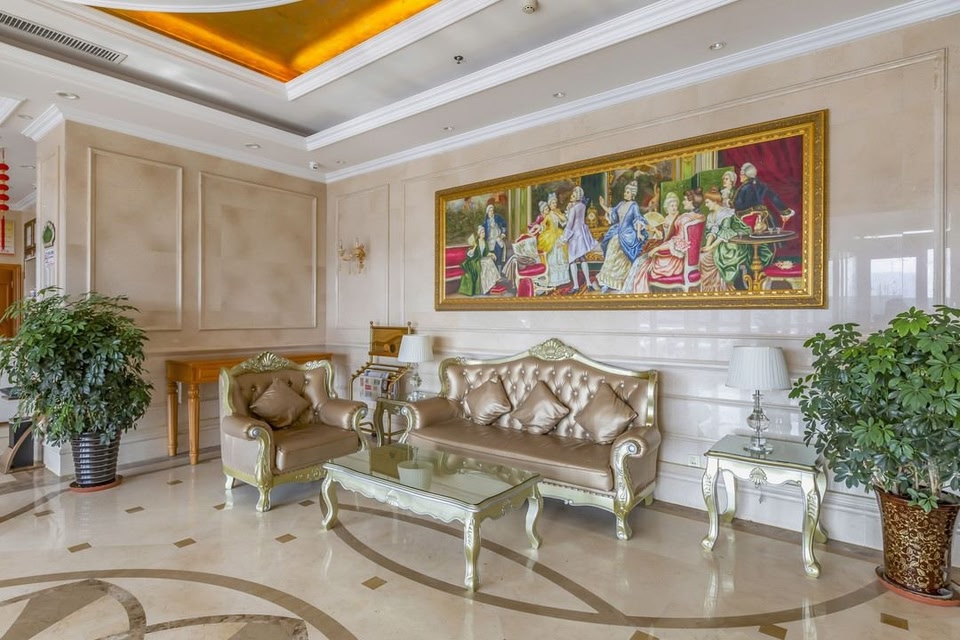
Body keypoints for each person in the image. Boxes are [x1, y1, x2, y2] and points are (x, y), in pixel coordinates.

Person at [625, 190, 704, 293]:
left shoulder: (683, 219)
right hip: (687, 260)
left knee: (643, 265)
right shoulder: (698, 217)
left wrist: (657, 249)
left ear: (692, 202)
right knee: (642, 260)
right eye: (672, 205)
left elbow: (676, 243)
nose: (682, 202)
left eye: (685, 200)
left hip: (674, 263)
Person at [595, 180, 648, 292]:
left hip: (628, 234)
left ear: (633, 194)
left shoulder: (634, 206)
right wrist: (602, 205)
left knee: (622, 260)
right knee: (610, 254)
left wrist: (638, 233)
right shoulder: (621, 204)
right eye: (625, 191)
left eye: (628, 192)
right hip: (617, 232)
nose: (625, 194)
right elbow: (612, 213)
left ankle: (619, 283)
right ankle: (606, 282)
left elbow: (638, 219)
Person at [733, 162, 795, 232]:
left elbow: (737, 205)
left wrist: (729, 202)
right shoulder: (762, 185)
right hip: (765, 216)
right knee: (771, 233)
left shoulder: (743, 188)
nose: (740, 176)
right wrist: (785, 212)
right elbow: (774, 198)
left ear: (745, 175)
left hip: (747, 219)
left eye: (741, 174)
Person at [560, 185, 599, 292]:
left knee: (572, 260)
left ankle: (576, 286)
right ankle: (588, 283)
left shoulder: (573, 208)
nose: (571, 197)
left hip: (573, 236)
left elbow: (569, 224)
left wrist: (563, 239)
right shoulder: (582, 206)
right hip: (581, 234)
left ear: (577, 196)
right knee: (582, 258)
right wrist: (569, 209)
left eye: (573, 195)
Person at [457, 225, 502, 296]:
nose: (484, 234)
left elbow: (486, 253)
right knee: (487, 262)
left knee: (489, 260)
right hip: (475, 259)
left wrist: (492, 254)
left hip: (482, 258)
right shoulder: (476, 242)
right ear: (479, 233)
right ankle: (487, 285)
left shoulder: (485, 242)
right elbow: (469, 254)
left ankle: (491, 283)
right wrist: (474, 247)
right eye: (482, 232)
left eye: (484, 232)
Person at [537, 193, 570, 287]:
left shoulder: (557, 212)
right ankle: (552, 280)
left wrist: (557, 214)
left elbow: (564, 221)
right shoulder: (548, 215)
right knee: (552, 257)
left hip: (558, 234)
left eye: (555, 203)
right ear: (549, 204)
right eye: (552, 203)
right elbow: (543, 224)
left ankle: (561, 279)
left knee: (560, 257)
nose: (554, 205)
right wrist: (542, 228)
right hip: (550, 236)